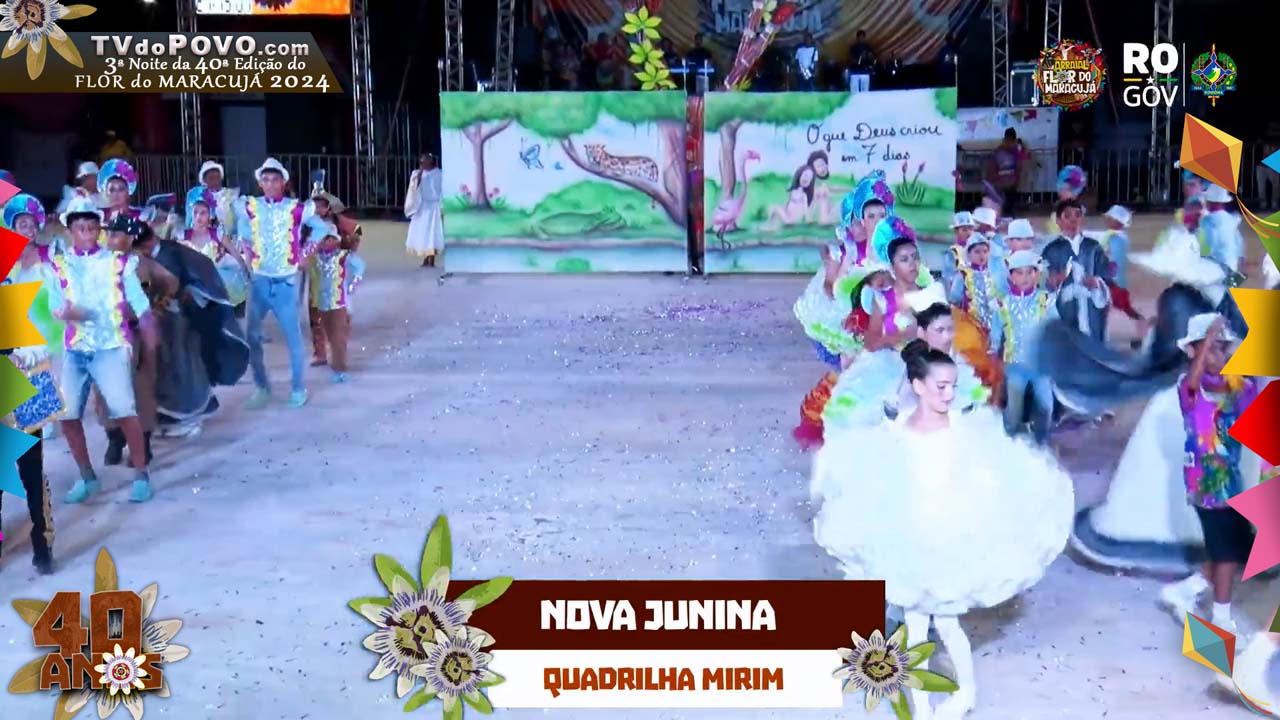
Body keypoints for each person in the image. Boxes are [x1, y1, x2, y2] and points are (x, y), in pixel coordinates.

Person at [812, 340, 1073, 720]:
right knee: (916, 629)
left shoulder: (963, 429)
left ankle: (965, 692)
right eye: (941, 386)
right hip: (912, 538)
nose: (949, 394)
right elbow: (880, 469)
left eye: (952, 386)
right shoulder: (899, 429)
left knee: (948, 625)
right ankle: (921, 708)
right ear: (918, 386)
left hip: (947, 538)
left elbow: (982, 476)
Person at [1057, 229, 1252, 573]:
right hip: (1225, 391)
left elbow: (1164, 356)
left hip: (1187, 391)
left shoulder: (1176, 299)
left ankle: (1172, 537)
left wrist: (1145, 348)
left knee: (1161, 462)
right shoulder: (1222, 291)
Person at [52, 198, 158, 504]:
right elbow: (56, 304)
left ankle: (141, 474)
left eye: (91, 226)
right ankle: (87, 477)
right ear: (70, 230)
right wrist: (65, 313)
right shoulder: (59, 264)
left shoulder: (118, 262)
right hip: (75, 349)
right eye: (80, 227)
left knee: (124, 410)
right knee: (68, 415)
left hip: (110, 348)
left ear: (99, 229)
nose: (86, 232)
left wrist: (148, 323)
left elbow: (138, 299)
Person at [1157, 314, 1260, 631]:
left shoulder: (1239, 387)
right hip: (1204, 484)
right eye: (1209, 348)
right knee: (1226, 554)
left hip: (1230, 482)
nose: (1218, 355)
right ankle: (1222, 617)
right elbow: (1192, 381)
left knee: (1233, 549)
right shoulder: (1190, 390)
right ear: (1193, 352)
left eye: (1222, 348)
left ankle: (1184, 590)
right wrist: (1209, 340)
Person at [821, 282, 990, 439]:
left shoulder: (957, 362)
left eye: (950, 329)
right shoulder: (907, 368)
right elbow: (897, 412)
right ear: (922, 333)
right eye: (940, 330)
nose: (947, 337)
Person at [232, 157, 327, 410]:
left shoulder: (295, 208)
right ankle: (262, 386)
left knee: (293, 338)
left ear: (283, 183)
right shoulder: (250, 206)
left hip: (285, 282)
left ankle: (298, 388)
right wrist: (247, 248)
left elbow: (321, 228)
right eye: (266, 180)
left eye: (275, 180)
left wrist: (306, 253)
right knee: (252, 337)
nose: (270, 184)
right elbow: (242, 227)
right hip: (259, 281)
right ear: (260, 183)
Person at [988, 250, 1058, 443]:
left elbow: (1056, 326)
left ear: (1037, 274)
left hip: (1041, 364)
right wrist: (994, 348)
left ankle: (1041, 439)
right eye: (1019, 273)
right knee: (1014, 409)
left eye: (1030, 272)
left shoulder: (1046, 301)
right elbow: (996, 328)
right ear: (1011, 276)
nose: (1025, 277)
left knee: (1046, 405)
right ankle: (1008, 439)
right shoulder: (1003, 303)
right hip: (1015, 364)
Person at [1040, 197, 1111, 342]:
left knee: (1092, 343)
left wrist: (1097, 283)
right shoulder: (1051, 250)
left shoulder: (1093, 247)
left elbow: (1105, 276)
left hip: (1090, 307)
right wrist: (1053, 282)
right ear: (1058, 221)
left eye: (1077, 215)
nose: (1073, 220)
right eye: (1067, 216)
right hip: (1064, 308)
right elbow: (1043, 281)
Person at [308, 220, 365, 384]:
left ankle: (340, 369)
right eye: (323, 239)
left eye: (330, 238)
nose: (326, 242)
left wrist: (353, 284)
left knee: (338, 337)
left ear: (337, 240)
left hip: (339, 303)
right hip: (322, 303)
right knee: (330, 336)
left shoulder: (343, 256)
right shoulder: (314, 257)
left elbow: (360, 266)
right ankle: (333, 363)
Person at [405, 153, 444, 267]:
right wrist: (418, 177)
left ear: (430, 161)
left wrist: (442, 207)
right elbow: (413, 190)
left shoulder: (440, 174)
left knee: (433, 234)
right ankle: (426, 258)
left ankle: (431, 259)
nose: (422, 164)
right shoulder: (417, 174)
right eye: (421, 162)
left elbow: (442, 191)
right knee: (424, 233)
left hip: (434, 207)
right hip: (422, 206)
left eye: (424, 162)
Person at [1200, 184, 1245, 275]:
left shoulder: (1206, 221)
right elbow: (1240, 247)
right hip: (1231, 268)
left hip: (1214, 270)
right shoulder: (1232, 220)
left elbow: (1206, 248)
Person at [986, 129, 1023, 216]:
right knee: (1005, 206)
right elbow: (1019, 167)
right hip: (1002, 183)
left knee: (1007, 205)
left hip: (1007, 184)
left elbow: (1019, 167)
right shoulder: (1000, 152)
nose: (1009, 143)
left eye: (1011, 141)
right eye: (1008, 140)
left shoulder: (1012, 151)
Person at [940, 211, 975, 289]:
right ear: (956, 231)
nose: (968, 233)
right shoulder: (953, 251)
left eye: (970, 229)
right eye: (964, 230)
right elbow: (948, 275)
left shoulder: (978, 248)